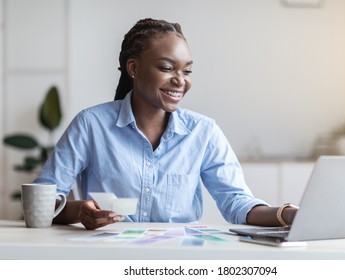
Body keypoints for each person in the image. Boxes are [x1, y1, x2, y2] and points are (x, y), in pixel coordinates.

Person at [33, 18, 297, 230]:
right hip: (109, 258)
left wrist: (289, 215)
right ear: (133, 68)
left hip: (178, 259)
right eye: (167, 68)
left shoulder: (203, 132)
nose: (180, 80)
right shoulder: (91, 125)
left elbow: (237, 203)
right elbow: (40, 202)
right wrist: (80, 211)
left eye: (187, 71)